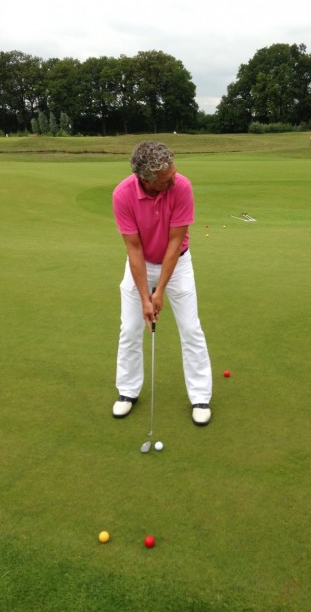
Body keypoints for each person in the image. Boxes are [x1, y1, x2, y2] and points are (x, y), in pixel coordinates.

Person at [112, 140, 212, 426]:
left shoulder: (182, 186)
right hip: (140, 264)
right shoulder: (122, 195)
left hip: (177, 263)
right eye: (166, 179)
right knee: (130, 329)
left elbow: (175, 242)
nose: (173, 180)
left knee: (191, 328)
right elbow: (134, 249)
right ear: (147, 179)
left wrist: (160, 292)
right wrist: (146, 297)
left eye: (173, 172)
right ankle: (127, 391)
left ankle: (200, 396)